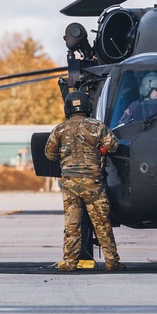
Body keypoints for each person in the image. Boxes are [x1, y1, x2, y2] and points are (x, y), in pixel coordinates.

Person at [45, 90, 125, 272]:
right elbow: (113, 145)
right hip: (92, 183)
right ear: (88, 107)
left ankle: (70, 263)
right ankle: (112, 262)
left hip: (70, 184)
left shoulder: (59, 129)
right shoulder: (97, 126)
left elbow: (49, 154)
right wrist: (101, 150)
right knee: (102, 223)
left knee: (72, 224)